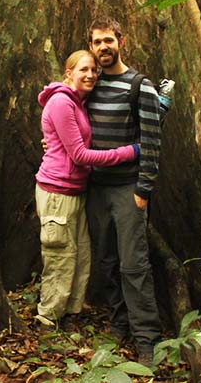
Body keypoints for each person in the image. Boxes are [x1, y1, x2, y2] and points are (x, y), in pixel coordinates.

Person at [35, 49, 139, 328]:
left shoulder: (78, 102)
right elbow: (79, 155)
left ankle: (70, 314)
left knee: (80, 255)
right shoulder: (61, 102)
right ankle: (48, 319)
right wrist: (129, 152)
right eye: (84, 70)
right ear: (69, 73)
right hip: (57, 191)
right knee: (60, 258)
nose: (91, 75)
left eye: (94, 70)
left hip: (76, 190)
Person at [85, 16, 162, 366]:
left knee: (135, 264)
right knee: (107, 261)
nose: (103, 47)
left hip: (128, 188)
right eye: (97, 42)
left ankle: (147, 339)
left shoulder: (139, 86)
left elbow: (152, 139)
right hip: (95, 188)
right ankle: (119, 326)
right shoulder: (89, 84)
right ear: (91, 46)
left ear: (121, 41)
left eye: (109, 41)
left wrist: (143, 188)